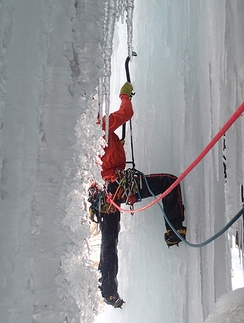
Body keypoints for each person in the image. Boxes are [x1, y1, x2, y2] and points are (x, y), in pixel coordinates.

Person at [88, 82, 187, 308]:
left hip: (103, 196)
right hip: (116, 187)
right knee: (169, 183)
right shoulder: (99, 126)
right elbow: (126, 113)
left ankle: (109, 291)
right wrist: (125, 95)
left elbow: (102, 161)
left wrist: (115, 145)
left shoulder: (86, 138)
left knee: (109, 239)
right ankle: (174, 231)